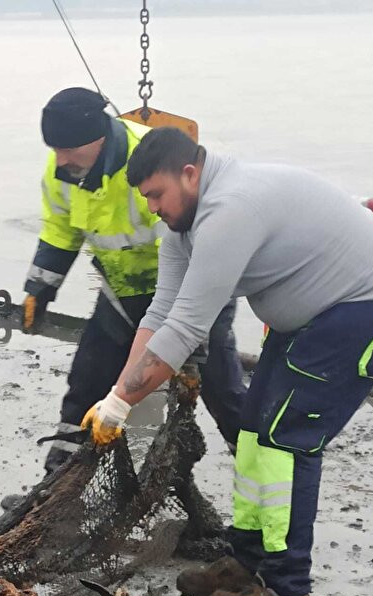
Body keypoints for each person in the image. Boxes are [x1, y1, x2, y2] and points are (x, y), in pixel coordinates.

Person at [80, 126, 373, 596]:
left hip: (359, 311)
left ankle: (289, 592)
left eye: (157, 195)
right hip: (305, 320)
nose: (153, 207)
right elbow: (159, 315)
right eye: (145, 198)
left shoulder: (230, 212)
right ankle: (245, 563)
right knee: (253, 434)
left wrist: (121, 402)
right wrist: (117, 395)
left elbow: (183, 331)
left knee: (287, 441)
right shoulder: (183, 222)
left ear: (190, 173)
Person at [23, 87, 246, 473]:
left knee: (220, 387)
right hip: (120, 291)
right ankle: (59, 473)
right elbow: (60, 229)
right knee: (87, 379)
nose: (60, 159)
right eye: (55, 149)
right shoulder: (60, 169)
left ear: (98, 137)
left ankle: (253, 466)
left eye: (69, 149)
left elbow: (196, 248)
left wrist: (189, 349)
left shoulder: (150, 164)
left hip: (189, 291)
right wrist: (40, 289)